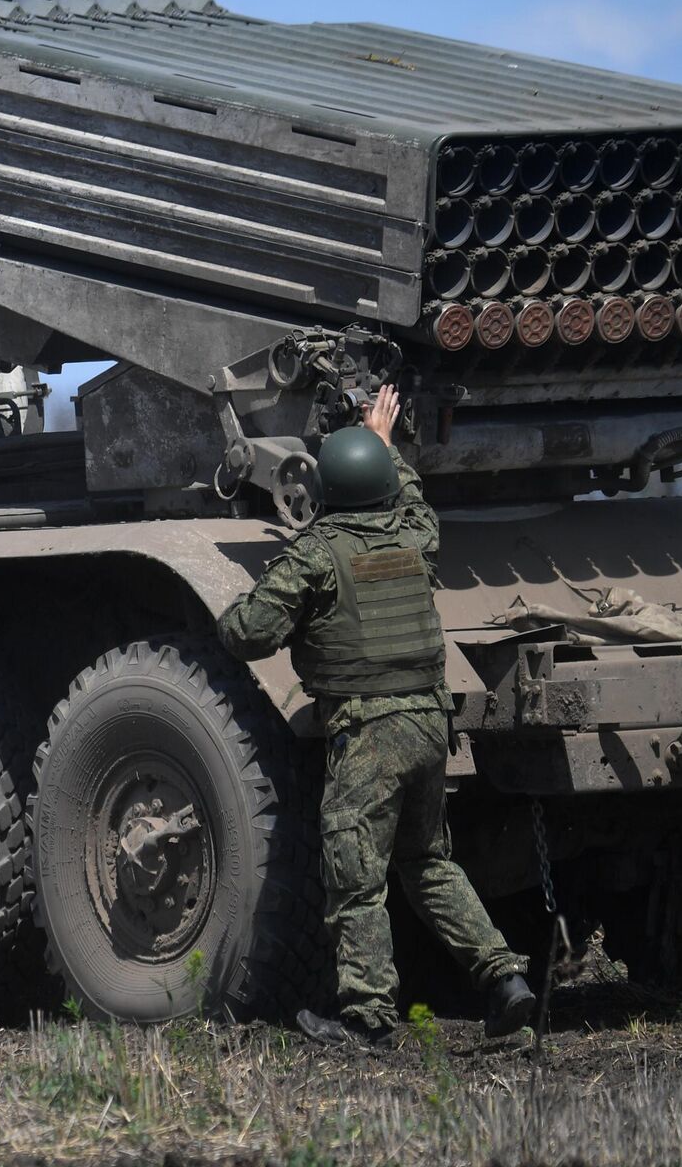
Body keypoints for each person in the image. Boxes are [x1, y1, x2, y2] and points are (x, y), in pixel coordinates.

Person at [216, 384, 535, 1046]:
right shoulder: (415, 538)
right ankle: (505, 981)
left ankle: (364, 1018)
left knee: (355, 877)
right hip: (428, 725)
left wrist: (226, 614)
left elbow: (250, 632)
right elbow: (411, 499)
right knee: (427, 863)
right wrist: (386, 443)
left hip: (368, 732)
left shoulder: (316, 554)